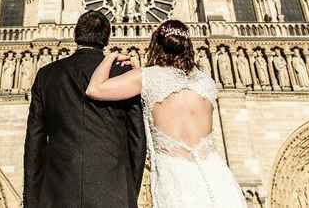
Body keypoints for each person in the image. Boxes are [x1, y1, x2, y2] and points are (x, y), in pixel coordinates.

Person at [87, 20, 247, 208]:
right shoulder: (207, 83)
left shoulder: (148, 77)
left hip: (176, 181)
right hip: (219, 180)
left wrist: (110, 56)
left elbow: (94, 89)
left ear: (156, 47)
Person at [23, 10, 146, 208]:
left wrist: (32, 200)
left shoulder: (46, 75)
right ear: (106, 39)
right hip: (114, 192)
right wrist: (127, 188)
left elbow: (34, 144)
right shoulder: (123, 75)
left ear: (75, 36)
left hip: (58, 193)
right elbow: (137, 138)